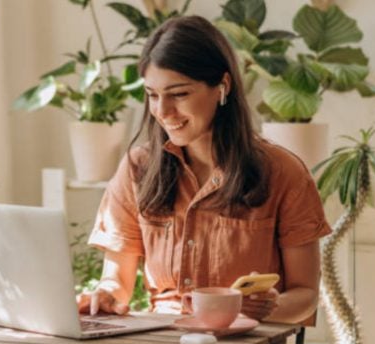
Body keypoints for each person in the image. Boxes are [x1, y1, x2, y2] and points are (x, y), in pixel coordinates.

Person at [76, 15, 332, 326]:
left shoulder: (282, 171)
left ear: (222, 86)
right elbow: (117, 282)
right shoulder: (137, 168)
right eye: (152, 95)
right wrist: (104, 296)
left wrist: (268, 308)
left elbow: (305, 294)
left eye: (179, 94)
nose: (162, 112)